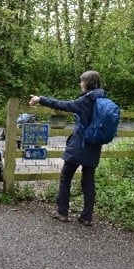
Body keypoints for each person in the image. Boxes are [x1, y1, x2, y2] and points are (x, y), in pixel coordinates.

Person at [29, 70, 105, 226]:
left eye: (82, 81)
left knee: (66, 176)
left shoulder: (86, 101)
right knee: (88, 180)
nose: (80, 84)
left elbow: (63, 105)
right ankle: (87, 216)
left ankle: (62, 212)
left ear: (87, 83)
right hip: (94, 145)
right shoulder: (103, 99)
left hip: (80, 145)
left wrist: (40, 99)